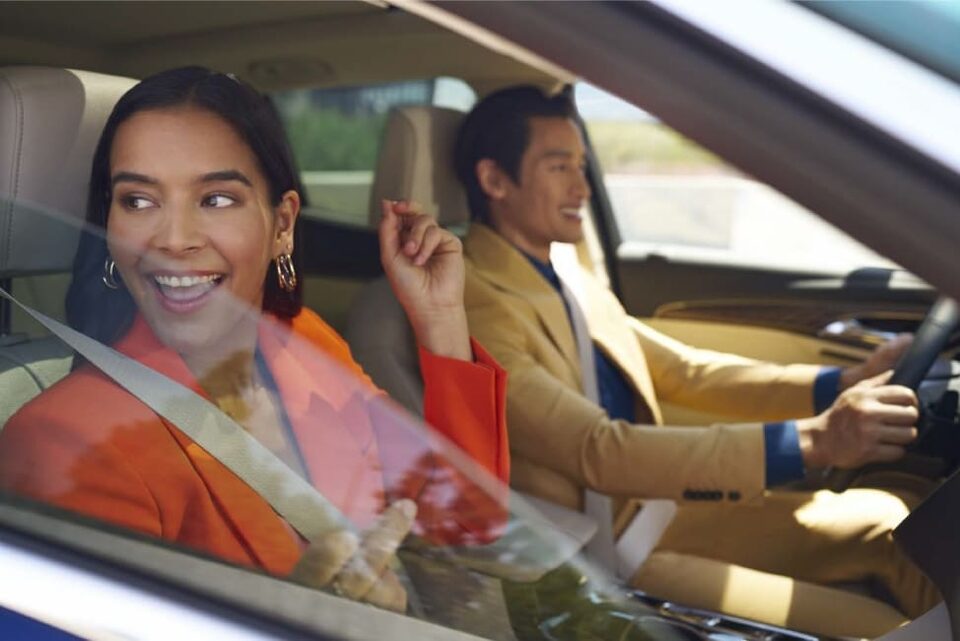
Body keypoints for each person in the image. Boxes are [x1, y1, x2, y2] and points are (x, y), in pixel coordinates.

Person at [0, 67, 509, 613]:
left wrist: (440, 319)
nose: (174, 240)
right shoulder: (62, 441)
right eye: (139, 201)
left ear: (282, 225)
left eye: (216, 199)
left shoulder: (307, 343)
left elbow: (460, 523)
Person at [454, 85, 937, 633]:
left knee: (895, 520)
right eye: (559, 167)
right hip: (608, 545)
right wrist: (815, 442)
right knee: (883, 628)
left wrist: (841, 383)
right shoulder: (474, 298)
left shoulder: (561, 270)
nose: (582, 187)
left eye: (582, 166)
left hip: (658, 507)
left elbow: (682, 371)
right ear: (495, 181)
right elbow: (595, 450)